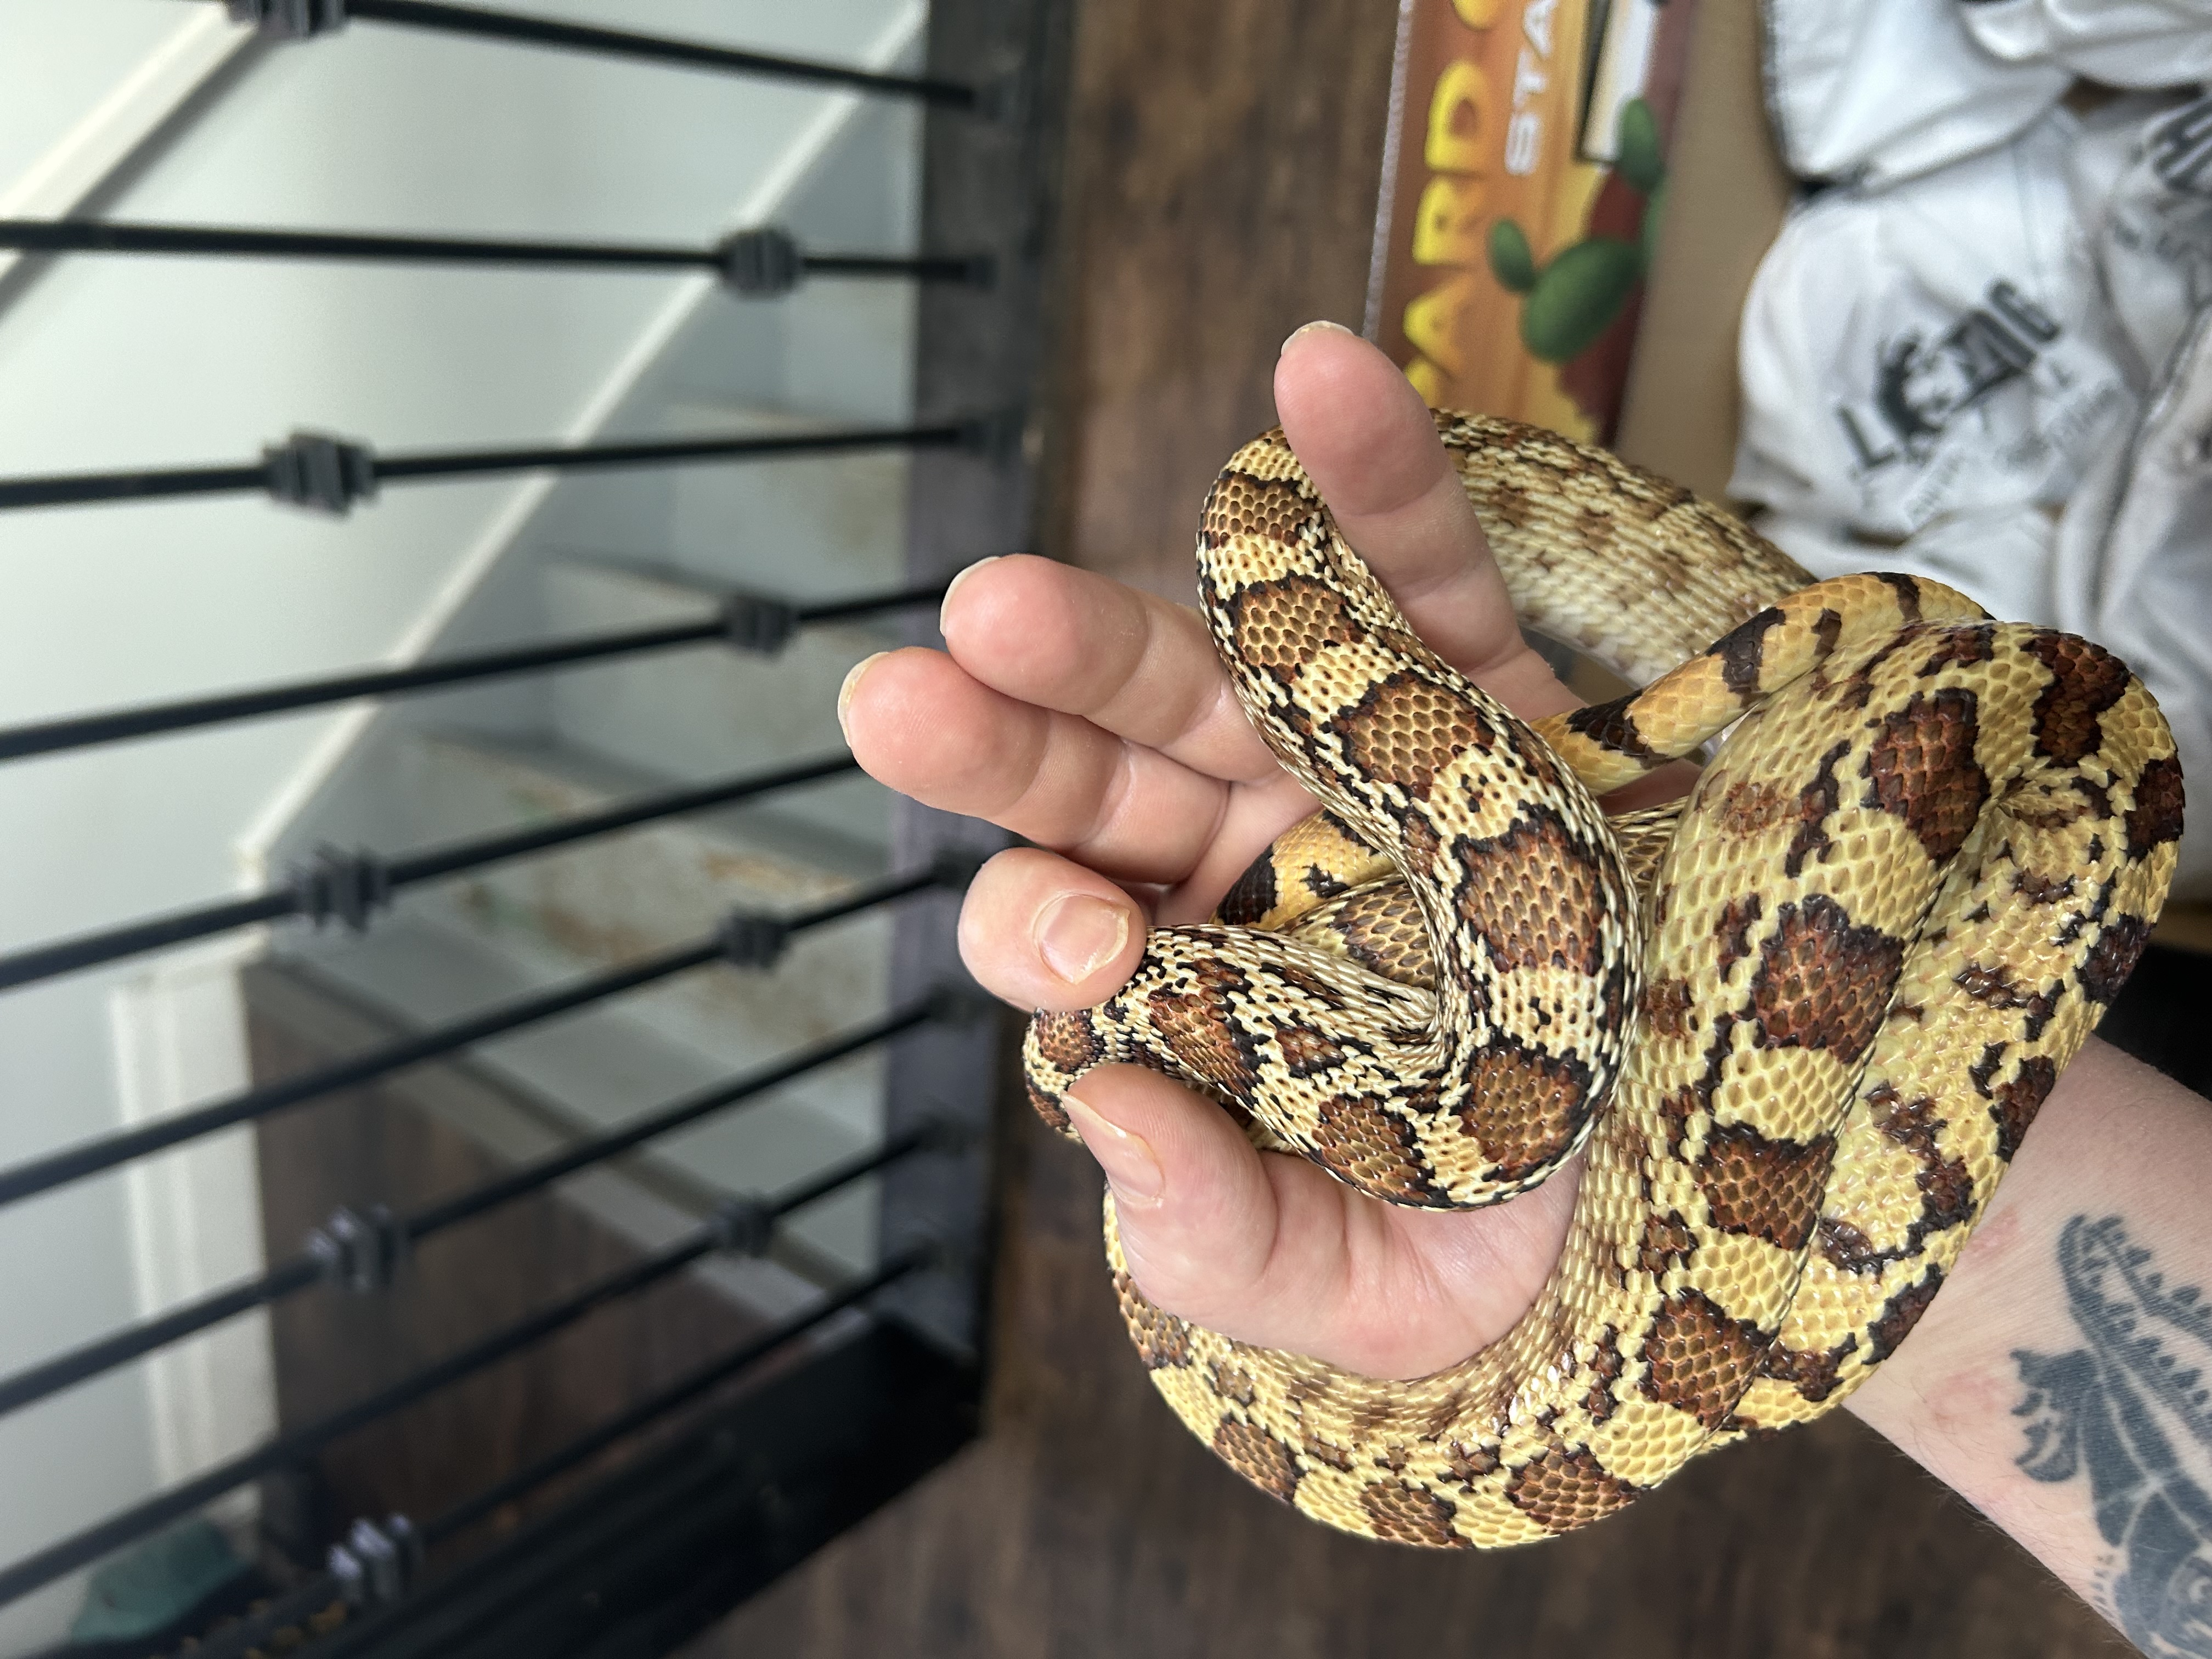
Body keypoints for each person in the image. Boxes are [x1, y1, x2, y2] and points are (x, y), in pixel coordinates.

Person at [837, 321, 2212, 1656]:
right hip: (1798, 924)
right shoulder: (1328, 1074)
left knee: (1297, 490)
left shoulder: (1220, 1026)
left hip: (1996, 790)